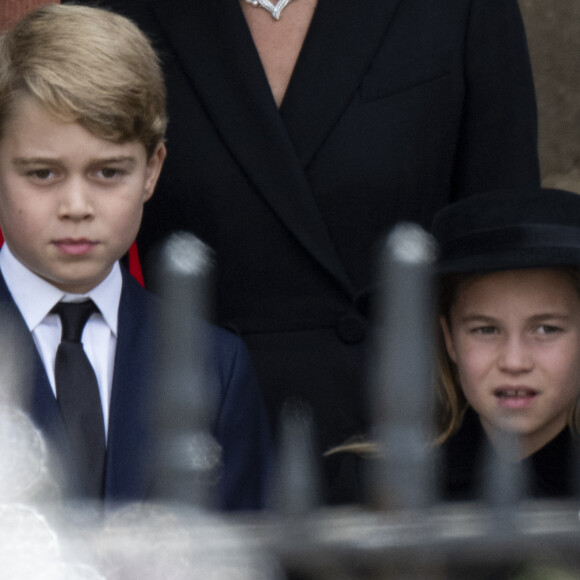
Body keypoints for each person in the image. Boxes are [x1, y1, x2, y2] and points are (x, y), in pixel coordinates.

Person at [65, 0, 541, 499]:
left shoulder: (463, 10)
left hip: (406, 449)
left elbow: (501, 251)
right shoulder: (117, 8)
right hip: (184, 446)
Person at [0, 4, 274, 510]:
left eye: (108, 173)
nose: (76, 207)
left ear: (151, 171)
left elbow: (244, 558)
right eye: (43, 173)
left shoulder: (214, 364)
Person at [433, 188, 580, 500]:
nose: (514, 362)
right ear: (450, 340)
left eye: (545, 329)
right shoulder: (387, 486)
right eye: (486, 330)